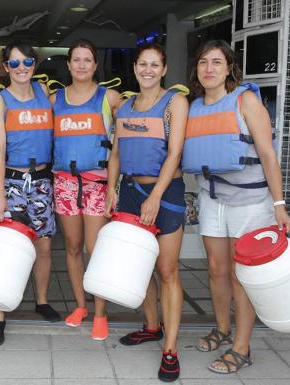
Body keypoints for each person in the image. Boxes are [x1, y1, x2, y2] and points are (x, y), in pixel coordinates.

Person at [183, 40, 290, 374]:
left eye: (217, 62)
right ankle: (222, 328)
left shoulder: (245, 101)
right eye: (203, 62)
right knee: (216, 269)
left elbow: (268, 154)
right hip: (212, 198)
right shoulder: (194, 105)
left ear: (230, 67)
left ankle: (242, 347)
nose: (209, 69)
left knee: (240, 273)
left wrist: (279, 204)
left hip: (250, 202)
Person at [105, 43, 189, 382]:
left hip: (165, 193)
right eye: (143, 64)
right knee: (141, 267)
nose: (148, 70)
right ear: (136, 68)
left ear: (164, 69)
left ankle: (170, 348)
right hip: (128, 192)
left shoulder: (175, 102)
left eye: (155, 65)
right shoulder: (124, 107)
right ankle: (152, 327)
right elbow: (115, 154)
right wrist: (112, 188)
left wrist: (154, 196)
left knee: (167, 270)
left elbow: (174, 154)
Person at [0, 40, 60, 345]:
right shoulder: (0, 103)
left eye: (26, 62)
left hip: (42, 182)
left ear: (34, 64)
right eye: (14, 63)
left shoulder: (45, 94)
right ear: (6, 67)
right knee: (5, 249)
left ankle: (41, 301)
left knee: (43, 248)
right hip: (12, 183)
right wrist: (0, 194)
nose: (21, 68)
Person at [49, 39, 120, 340]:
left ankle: (100, 312)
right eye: (76, 59)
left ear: (95, 65)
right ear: (68, 65)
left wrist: (115, 185)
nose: (81, 65)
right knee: (73, 248)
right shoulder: (55, 100)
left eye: (87, 59)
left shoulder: (110, 98)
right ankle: (81, 306)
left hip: (96, 183)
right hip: (64, 181)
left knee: (96, 250)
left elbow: (126, 138)